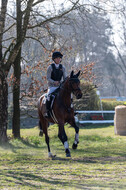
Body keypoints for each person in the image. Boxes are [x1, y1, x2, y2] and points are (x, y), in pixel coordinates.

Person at [45, 51, 67, 118]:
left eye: (59, 58)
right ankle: (48, 112)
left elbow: (65, 78)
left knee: (69, 96)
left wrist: (62, 83)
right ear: (54, 59)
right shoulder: (50, 67)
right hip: (52, 86)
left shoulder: (63, 67)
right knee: (48, 96)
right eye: (57, 58)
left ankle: (70, 110)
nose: (58, 59)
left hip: (60, 87)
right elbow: (48, 78)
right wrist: (54, 82)